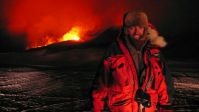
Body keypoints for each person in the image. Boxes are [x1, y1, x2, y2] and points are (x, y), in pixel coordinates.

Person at [91, 10, 174, 112]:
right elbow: (101, 84)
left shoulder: (154, 53)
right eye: (132, 27)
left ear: (145, 28)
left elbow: (164, 83)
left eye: (140, 27)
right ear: (126, 29)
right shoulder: (114, 50)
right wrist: (97, 108)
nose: (136, 32)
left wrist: (166, 107)